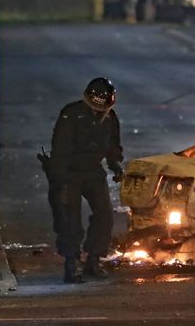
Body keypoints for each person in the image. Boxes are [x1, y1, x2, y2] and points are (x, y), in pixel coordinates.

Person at [48, 77, 123, 283]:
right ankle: (71, 265)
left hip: (93, 171)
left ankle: (93, 261)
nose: (100, 113)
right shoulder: (70, 115)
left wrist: (115, 165)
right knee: (69, 219)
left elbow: (113, 146)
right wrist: (60, 182)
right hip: (69, 173)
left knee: (105, 214)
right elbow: (60, 150)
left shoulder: (110, 118)